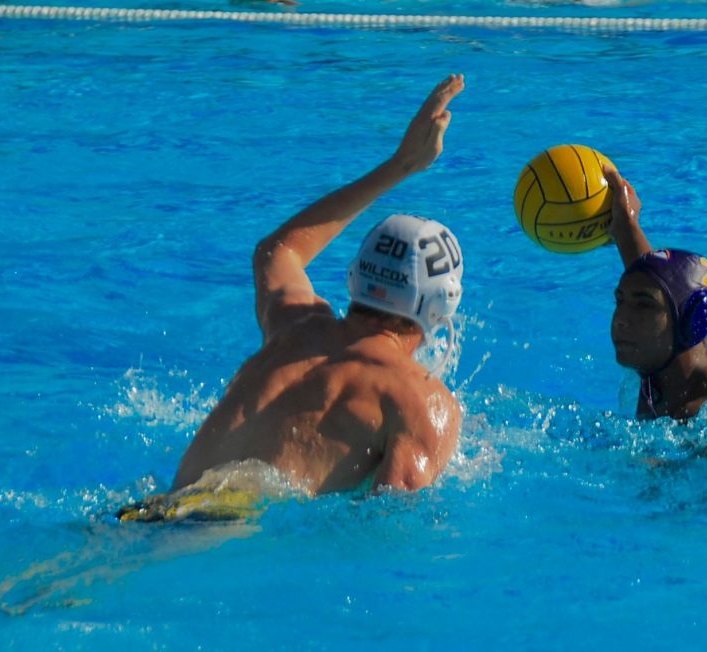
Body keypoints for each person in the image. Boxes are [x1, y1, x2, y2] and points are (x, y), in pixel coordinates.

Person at [120, 74, 466, 522]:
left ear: (355, 278)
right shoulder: (420, 401)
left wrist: (400, 164)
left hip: (157, 509)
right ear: (441, 309)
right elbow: (387, 522)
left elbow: (278, 250)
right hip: (223, 529)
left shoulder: (294, 327)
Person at [603, 166, 707, 457]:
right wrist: (626, 226)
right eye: (620, 300)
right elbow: (662, 285)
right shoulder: (675, 349)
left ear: (687, 322)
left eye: (643, 304)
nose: (621, 319)